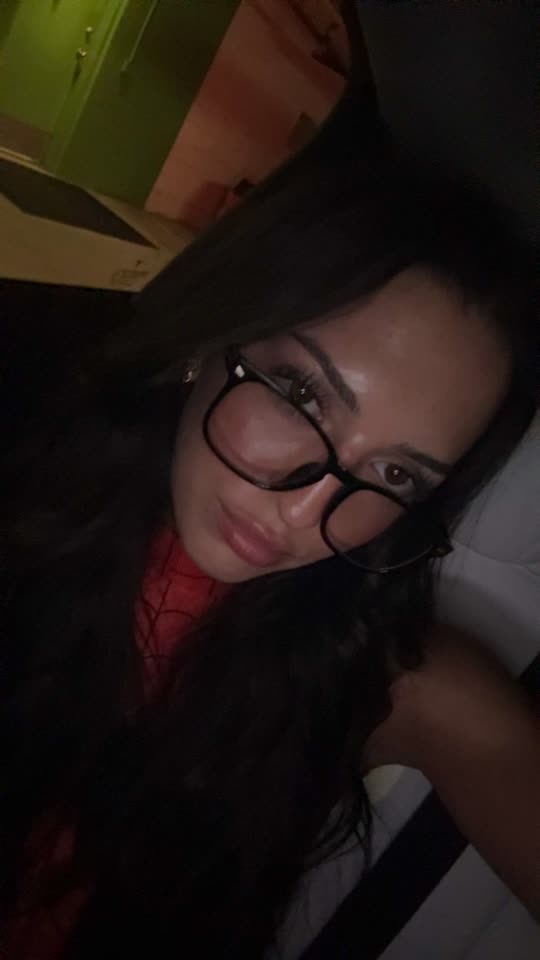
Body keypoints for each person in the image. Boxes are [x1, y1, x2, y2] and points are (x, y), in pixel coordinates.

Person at [1, 154, 538, 959]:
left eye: (395, 474)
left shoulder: (375, 677)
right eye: (300, 394)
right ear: (217, 329)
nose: (308, 509)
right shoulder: (24, 461)